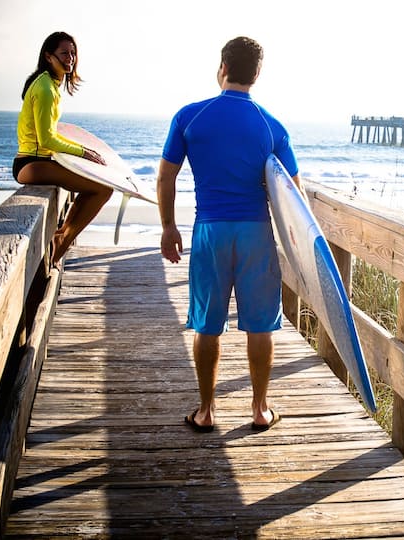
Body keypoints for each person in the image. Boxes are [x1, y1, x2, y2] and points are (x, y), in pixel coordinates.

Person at [157, 36, 300, 433]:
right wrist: (295, 249)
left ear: (222, 66)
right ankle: (259, 409)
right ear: (257, 73)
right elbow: (294, 194)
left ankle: (205, 411)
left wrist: (168, 227)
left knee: (206, 323)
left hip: (210, 231)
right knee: (260, 324)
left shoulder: (190, 117)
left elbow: (166, 175)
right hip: (256, 232)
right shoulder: (272, 125)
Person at [13, 31, 112, 267]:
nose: (70, 58)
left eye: (73, 53)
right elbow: (47, 139)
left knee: (94, 187)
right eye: (64, 53)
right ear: (48, 56)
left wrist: (83, 148)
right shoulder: (46, 89)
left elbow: (52, 134)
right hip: (32, 163)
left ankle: (62, 237)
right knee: (103, 189)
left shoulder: (50, 85)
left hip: (38, 161)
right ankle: (62, 242)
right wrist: (82, 153)